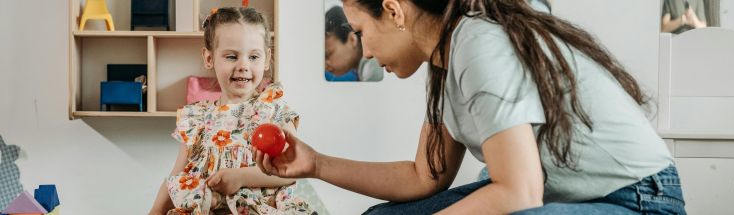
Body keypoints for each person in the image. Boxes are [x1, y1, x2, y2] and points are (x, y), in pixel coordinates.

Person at [257, 0, 686, 214]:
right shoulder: (444, 62)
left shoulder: (477, 43)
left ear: (393, 10)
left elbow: (518, 192)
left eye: (361, 31)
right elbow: (423, 177)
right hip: (563, 195)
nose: (365, 51)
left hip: (639, 199)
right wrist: (315, 163)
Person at [148, 7, 315, 215]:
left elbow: (292, 170)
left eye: (253, 57)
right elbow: (176, 177)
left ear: (267, 59)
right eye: (231, 56)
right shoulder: (196, 119)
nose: (244, 65)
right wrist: (154, 211)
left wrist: (240, 177)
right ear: (209, 58)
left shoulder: (274, 111)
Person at [325, 6, 384, 82]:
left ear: (352, 40)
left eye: (328, 54)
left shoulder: (372, 69)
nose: (325, 66)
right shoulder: (363, 70)